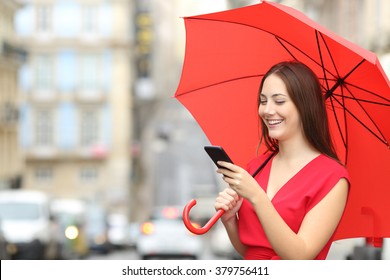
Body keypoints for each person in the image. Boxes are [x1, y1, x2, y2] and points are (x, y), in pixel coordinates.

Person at [214, 61, 350, 260]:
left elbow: (300, 256)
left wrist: (256, 196)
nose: (267, 111)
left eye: (279, 101)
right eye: (263, 101)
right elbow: (252, 251)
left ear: (304, 105)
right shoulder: (256, 167)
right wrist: (229, 221)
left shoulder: (333, 178)